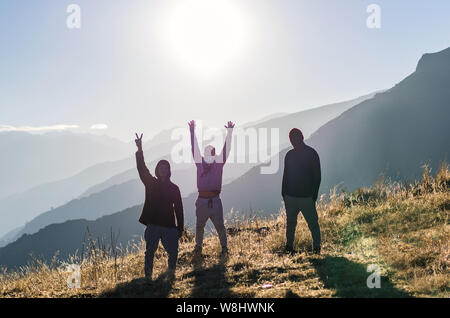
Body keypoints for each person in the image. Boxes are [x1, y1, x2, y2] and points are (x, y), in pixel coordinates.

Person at [135, 133, 184, 279]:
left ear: (169, 171)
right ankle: (148, 277)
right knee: (150, 251)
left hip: (169, 225)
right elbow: (141, 168)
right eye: (160, 167)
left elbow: (179, 209)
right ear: (157, 170)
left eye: (165, 168)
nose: (163, 170)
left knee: (173, 253)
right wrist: (139, 149)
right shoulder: (151, 183)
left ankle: (171, 274)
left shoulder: (174, 188)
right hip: (153, 225)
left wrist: (180, 228)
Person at [188, 120, 234, 257]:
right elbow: (194, 148)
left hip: (212, 199)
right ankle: (199, 247)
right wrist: (192, 132)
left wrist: (230, 133)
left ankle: (224, 248)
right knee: (201, 226)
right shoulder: (202, 163)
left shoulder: (217, 164)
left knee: (218, 226)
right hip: (205, 199)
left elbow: (227, 149)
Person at [282, 128, 321, 254]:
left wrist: (313, 194)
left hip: (303, 196)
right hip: (295, 197)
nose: (293, 141)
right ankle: (290, 246)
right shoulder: (307, 153)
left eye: (295, 138)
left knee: (309, 223)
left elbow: (317, 176)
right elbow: (286, 175)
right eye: (291, 138)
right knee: (297, 224)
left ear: (301, 137)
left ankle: (315, 247)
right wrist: (284, 193)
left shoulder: (307, 153)